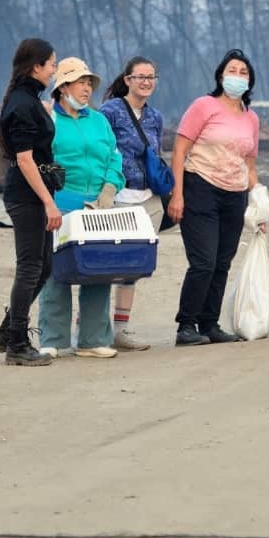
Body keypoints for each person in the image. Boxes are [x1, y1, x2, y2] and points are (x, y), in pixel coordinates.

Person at [168, 48, 262, 347]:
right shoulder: (203, 106)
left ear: (250, 81)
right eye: (232, 70)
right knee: (204, 261)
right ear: (221, 76)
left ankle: (210, 323)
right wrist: (177, 194)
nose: (238, 76)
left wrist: (259, 206)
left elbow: (249, 163)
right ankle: (186, 324)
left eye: (243, 72)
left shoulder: (251, 118)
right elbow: (180, 151)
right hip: (200, 187)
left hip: (235, 195)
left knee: (223, 261)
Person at [37, 57, 127, 360]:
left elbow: (114, 158)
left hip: (98, 207)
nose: (87, 88)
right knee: (56, 272)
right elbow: (38, 161)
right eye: (80, 82)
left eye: (89, 82)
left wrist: (110, 187)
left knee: (98, 271)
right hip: (61, 204)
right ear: (63, 87)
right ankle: (53, 339)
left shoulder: (99, 120)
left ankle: (92, 339)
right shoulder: (49, 119)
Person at [0, 39, 61, 366]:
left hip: (33, 193)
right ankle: (17, 342)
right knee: (31, 266)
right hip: (27, 195)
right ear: (36, 66)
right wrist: (48, 202)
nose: (54, 70)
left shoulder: (29, 100)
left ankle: (8, 331)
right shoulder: (22, 103)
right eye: (51, 64)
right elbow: (24, 159)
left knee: (43, 266)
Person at [100, 56, 167, 351]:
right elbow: (102, 151)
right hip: (117, 198)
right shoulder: (110, 111)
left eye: (151, 77)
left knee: (133, 267)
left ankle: (121, 329)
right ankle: (93, 327)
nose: (146, 82)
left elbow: (157, 154)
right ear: (127, 80)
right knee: (104, 264)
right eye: (140, 77)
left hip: (147, 199)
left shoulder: (155, 117)